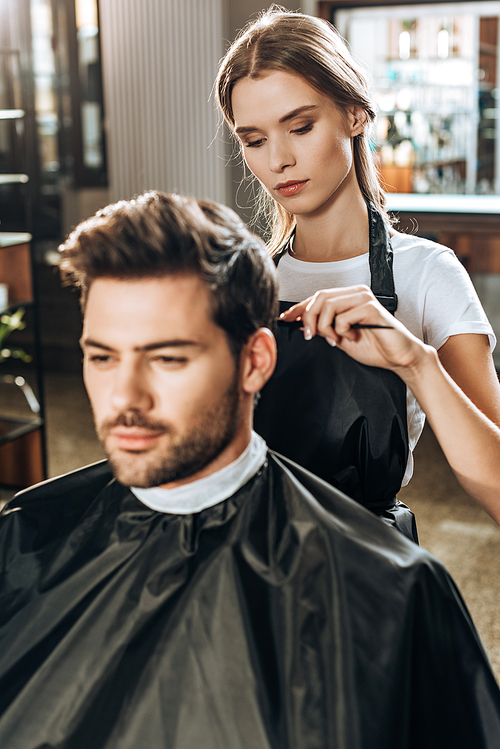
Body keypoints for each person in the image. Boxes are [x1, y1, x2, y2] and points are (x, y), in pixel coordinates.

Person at [1, 191, 499, 748]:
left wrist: (417, 364)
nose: (125, 397)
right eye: (102, 356)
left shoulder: (393, 592)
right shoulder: (24, 539)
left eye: (167, 358)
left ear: (255, 361)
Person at [215, 7, 500, 540]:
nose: (278, 159)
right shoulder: (242, 282)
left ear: (354, 114)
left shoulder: (427, 275)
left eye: (300, 127)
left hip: (367, 571)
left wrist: (418, 364)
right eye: (254, 140)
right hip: (248, 556)